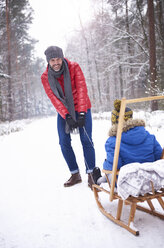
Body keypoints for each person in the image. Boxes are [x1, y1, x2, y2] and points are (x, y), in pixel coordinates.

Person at [41, 46, 95, 189]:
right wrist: (67, 116)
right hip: (64, 111)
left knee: (86, 139)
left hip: (82, 107)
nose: (56, 62)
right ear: (48, 61)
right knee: (63, 141)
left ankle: (91, 174)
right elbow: (54, 99)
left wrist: (82, 113)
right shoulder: (45, 77)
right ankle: (75, 174)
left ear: (62, 57)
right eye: (52, 60)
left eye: (58, 59)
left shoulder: (74, 67)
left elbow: (82, 89)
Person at [93, 99, 163, 185]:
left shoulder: (112, 141)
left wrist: (105, 164)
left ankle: (98, 181)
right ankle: (100, 180)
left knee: (110, 173)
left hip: (127, 184)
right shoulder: (149, 136)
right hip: (150, 182)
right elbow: (159, 157)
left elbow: (113, 166)